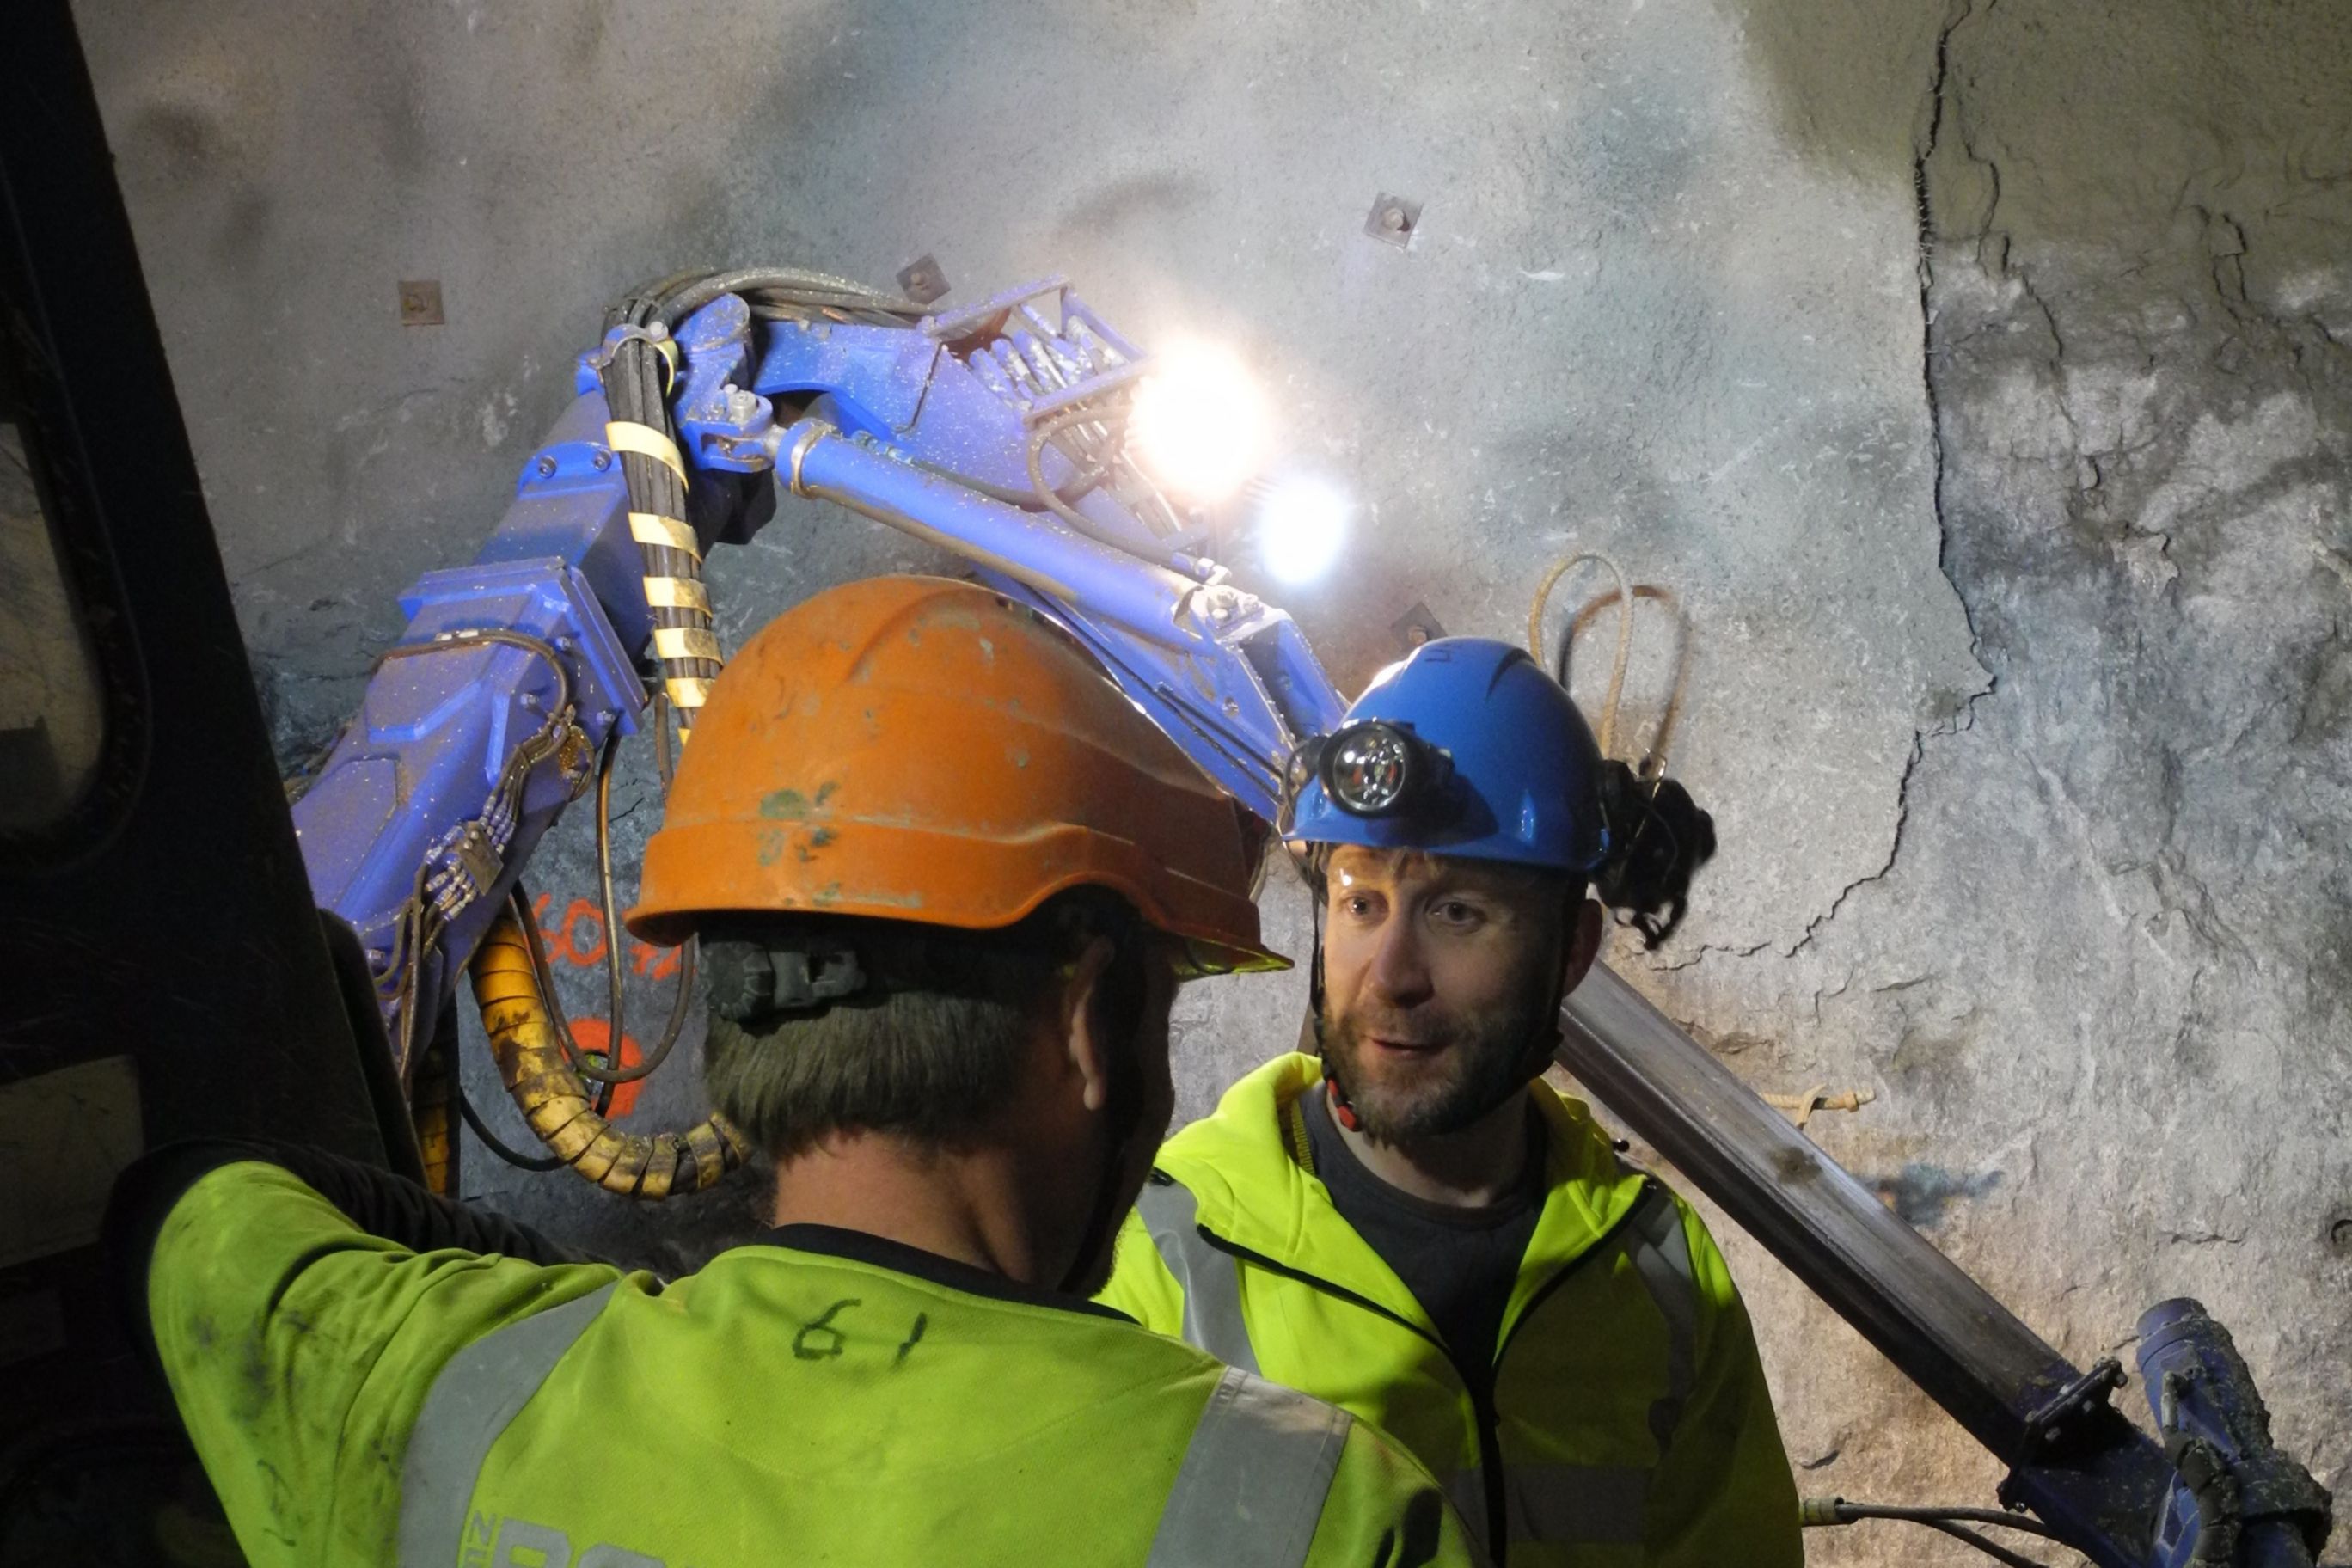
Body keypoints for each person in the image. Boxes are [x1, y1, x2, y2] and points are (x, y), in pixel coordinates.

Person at [107, 577, 1482, 1568]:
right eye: (1159, 1010)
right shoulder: (1308, 1519)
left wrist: (522, 1283)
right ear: (1085, 1022)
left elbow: (188, 1206)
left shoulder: (436, 1384)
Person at [1099, 636, 1801, 1568]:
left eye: (1458, 912)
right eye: (1360, 904)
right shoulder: (1163, 1252)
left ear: (1572, 950)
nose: (1391, 975)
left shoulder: (1660, 1274)